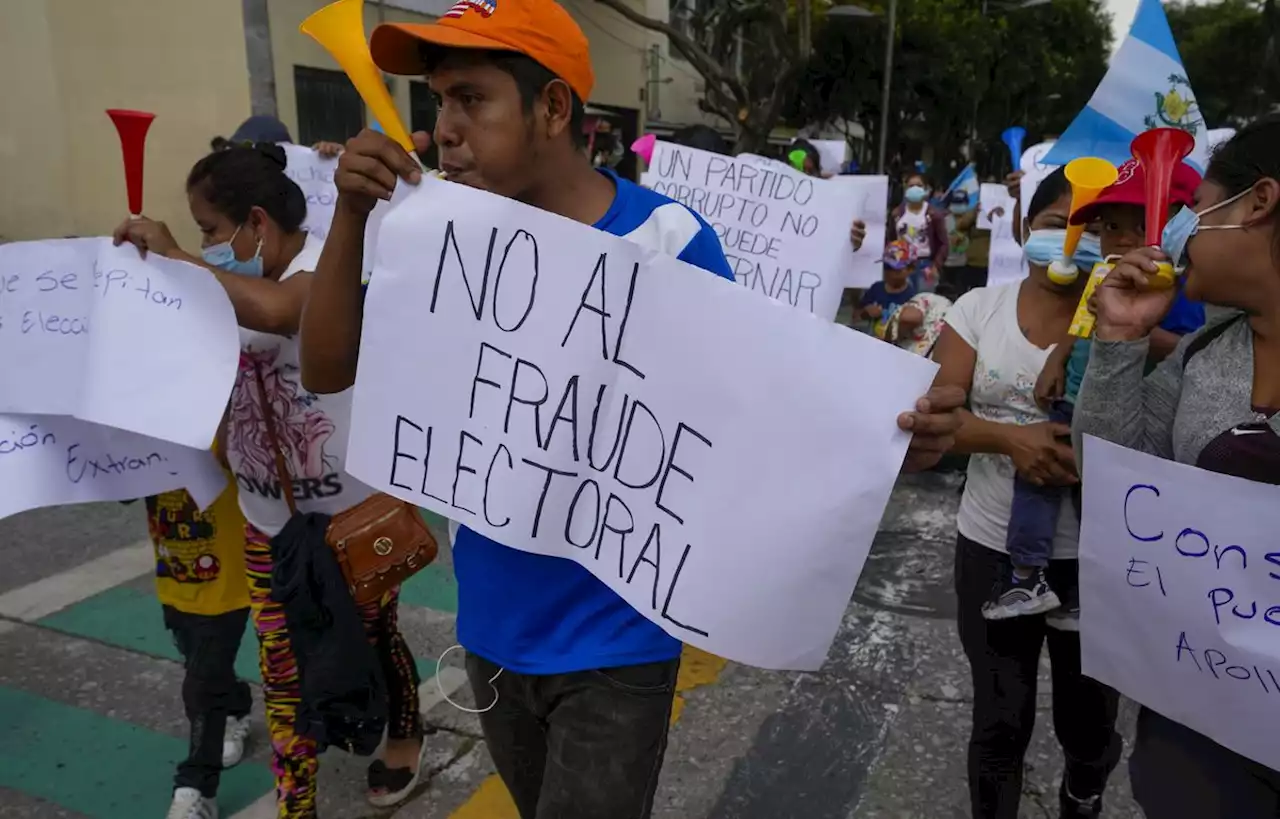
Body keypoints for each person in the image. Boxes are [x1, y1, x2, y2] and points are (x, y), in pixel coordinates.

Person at [295, 2, 964, 816]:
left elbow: (749, 406)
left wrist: (885, 439)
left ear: (551, 109)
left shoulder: (671, 240)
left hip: (619, 641)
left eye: (471, 99)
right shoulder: (437, 233)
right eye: (440, 103)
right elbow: (326, 365)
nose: (445, 130)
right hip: (494, 634)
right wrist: (352, 219)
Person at [112, 143, 427, 817]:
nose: (205, 245)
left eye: (208, 229)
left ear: (256, 222)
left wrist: (179, 259)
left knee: (373, 637)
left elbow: (283, 312)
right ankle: (297, 806)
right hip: (268, 524)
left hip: (355, 521)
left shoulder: (329, 264)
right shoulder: (213, 285)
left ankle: (403, 733)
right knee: (283, 672)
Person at [1074, 116, 1280, 818]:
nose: (1178, 230)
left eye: (1197, 209)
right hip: (1202, 731)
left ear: (1259, 202)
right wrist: (1121, 339)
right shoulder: (1203, 355)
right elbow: (1112, 481)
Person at [932, 166, 1121, 819]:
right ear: (1023, 227)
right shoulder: (978, 309)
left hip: (1096, 562)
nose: (1071, 243)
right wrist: (1012, 441)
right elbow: (935, 419)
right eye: (1053, 225)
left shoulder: (1129, 322)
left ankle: (1082, 794)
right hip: (991, 551)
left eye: (1093, 230)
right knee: (999, 721)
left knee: (1089, 723)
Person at [985, 159, 1202, 621]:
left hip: (1133, 422)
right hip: (1074, 404)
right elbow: (1083, 322)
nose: (1122, 238)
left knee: (1109, 505)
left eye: (1141, 224)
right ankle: (1027, 579)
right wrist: (1057, 359)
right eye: (1110, 226)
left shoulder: (1188, 289)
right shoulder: (1105, 276)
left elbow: (1189, 352)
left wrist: (1135, 332)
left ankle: (1095, 592)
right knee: (1038, 478)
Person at [145, 473, 253, 819]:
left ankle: (197, 787)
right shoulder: (138, 431)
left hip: (228, 576)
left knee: (202, 683)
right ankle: (235, 706)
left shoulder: (217, 422)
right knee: (200, 664)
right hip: (176, 576)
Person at [890, 172, 948, 291]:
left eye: (919, 185)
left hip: (925, 266)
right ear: (906, 189)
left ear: (926, 189)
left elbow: (944, 244)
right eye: (911, 186)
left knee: (923, 304)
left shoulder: (934, 215)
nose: (915, 189)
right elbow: (890, 240)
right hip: (902, 265)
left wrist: (936, 266)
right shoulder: (896, 214)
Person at [861, 238, 919, 335]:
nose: (890, 274)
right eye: (887, 267)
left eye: (896, 270)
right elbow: (857, 315)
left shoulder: (913, 298)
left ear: (911, 269)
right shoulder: (876, 289)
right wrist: (866, 312)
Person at [942, 189, 979, 293]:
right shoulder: (944, 221)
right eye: (956, 203)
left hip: (964, 264)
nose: (958, 206)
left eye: (961, 203)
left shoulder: (973, 220)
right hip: (947, 265)